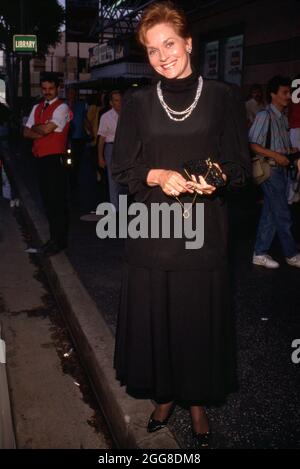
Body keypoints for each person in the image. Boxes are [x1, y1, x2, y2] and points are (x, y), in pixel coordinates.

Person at [111, 1, 250, 448]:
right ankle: (166, 398)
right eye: (152, 50)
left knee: (194, 322)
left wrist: (218, 179)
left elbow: (239, 166)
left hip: (203, 233)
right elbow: (122, 168)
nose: (162, 55)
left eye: (168, 43)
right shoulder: (136, 103)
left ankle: (196, 404)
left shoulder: (223, 97)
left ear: (188, 42)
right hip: (151, 232)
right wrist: (157, 175)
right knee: (160, 322)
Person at [249, 75, 300, 268]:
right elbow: (253, 144)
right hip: (270, 171)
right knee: (283, 214)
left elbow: (278, 144)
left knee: (270, 213)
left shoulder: (282, 117)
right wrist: (276, 156)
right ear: (273, 94)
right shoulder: (265, 115)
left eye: (289, 92)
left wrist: (288, 151)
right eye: (285, 92)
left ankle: (259, 253)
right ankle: (291, 254)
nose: (288, 96)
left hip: (280, 170)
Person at [24, 72, 72, 256]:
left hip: (54, 159)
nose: (47, 92)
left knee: (57, 202)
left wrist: (41, 129)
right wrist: (42, 130)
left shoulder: (62, 108)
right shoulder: (37, 107)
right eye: (44, 89)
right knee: (47, 202)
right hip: (40, 159)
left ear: (58, 88)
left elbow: (43, 129)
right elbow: (26, 132)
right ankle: (53, 240)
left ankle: (59, 242)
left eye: (51, 89)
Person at [98, 90, 125, 211]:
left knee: (125, 179)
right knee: (112, 180)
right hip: (111, 147)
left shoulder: (128, 114)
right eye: (116, 100)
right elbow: (101, 139)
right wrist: (100, 157)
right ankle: (116, 210)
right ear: (111, 103)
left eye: (120, 100)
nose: (119, 103)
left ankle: (124, 206)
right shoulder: (106, 117)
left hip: (125, 148)